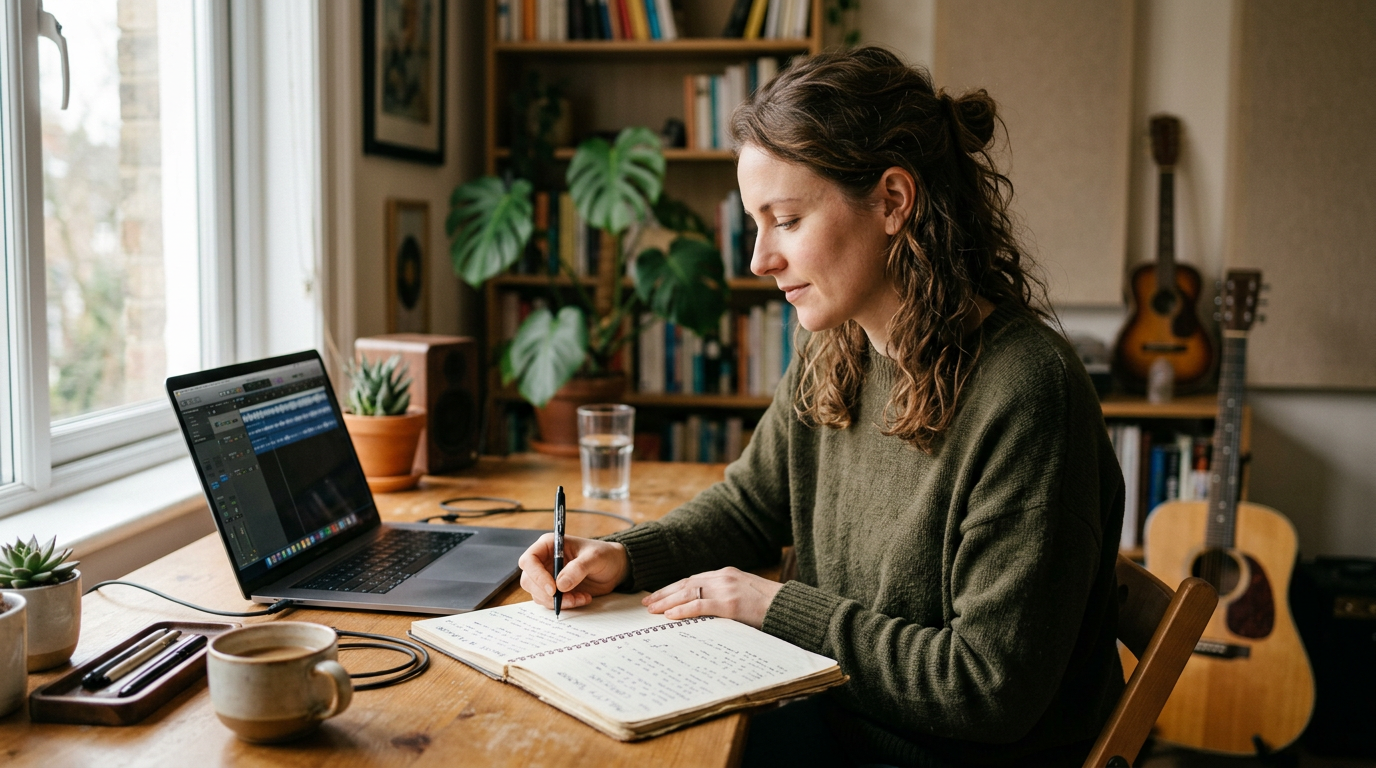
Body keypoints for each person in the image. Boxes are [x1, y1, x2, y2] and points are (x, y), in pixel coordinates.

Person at [517, 46, 1125, 768]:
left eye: (787, 220)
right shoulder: (836, 346)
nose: (758, 259)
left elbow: (987, 687)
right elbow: (750, 508)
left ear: (894, 201)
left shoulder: (1028, 392)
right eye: (754, 222)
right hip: (828, 716)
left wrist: (772, 607)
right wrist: (623, 556)